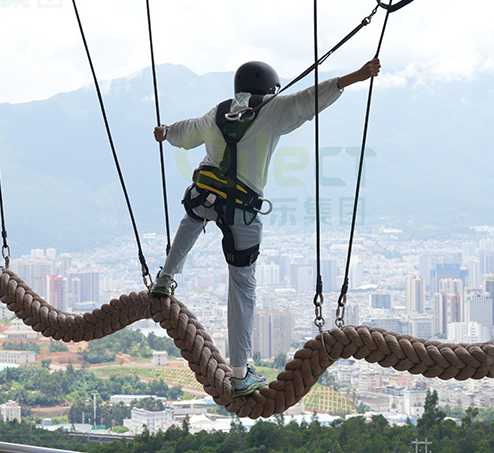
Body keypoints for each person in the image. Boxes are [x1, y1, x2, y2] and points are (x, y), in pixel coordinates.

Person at [151, 57, 381, 396]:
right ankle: (240, 374)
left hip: (202, 194)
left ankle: (165, 278)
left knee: (193, 217)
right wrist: (358, 75)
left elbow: (185, 132)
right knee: (242, 286)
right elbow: (309, 99)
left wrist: (165, 133)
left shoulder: (217, 112)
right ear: (269, 88)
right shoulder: (272, 109)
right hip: (240, 210)